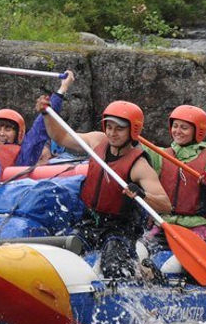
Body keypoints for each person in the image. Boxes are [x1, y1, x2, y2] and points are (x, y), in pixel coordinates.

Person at [43, 99, 170, 278]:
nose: (112, 133)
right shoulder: (97, 141)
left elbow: (165, 205)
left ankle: (132, 282)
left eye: (119, 129)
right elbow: (61, 137)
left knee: (113, 267)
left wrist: (142, 194)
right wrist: (47, 115)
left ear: (133, 130)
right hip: (90, 221)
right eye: (109, 127)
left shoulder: (139, 165)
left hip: (120, 228)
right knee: (63, 256)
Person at [142, 104, 206, 256]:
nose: (177, 131)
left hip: (194, 228)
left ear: (198, 131)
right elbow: (135, 152)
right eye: (175, 126)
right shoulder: (160, 155)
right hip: (162, 224)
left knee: (178, 264)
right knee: (140, 252)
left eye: (184, 127)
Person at [0, 61, 75, 182]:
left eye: (7, 129)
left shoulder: (24, 153)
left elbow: (40, 127)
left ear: (19, 134)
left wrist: (62, 88)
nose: (1, 133)